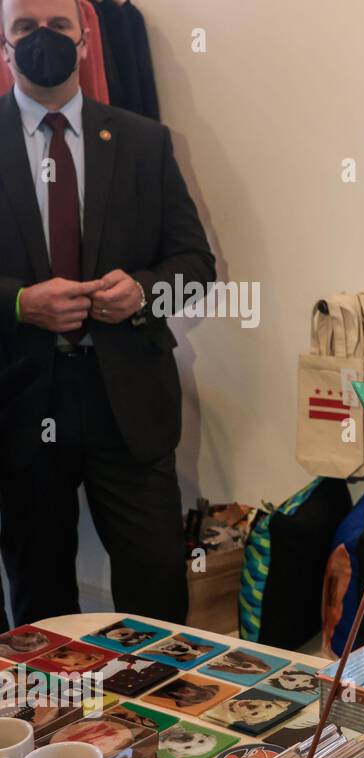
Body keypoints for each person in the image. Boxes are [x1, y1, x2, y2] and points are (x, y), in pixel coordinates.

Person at [0, 0, 214, 626]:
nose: (44, 39)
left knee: (155, 586)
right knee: (38, 596)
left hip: (129, 403)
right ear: (5, 44)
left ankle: (163, 723)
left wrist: (146, 292)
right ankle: (53, 720)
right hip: (20, 404)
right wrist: (18, 303)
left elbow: (196, 267)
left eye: (59, 26)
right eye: (24, 28)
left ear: (86, 39)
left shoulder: (144, 141)